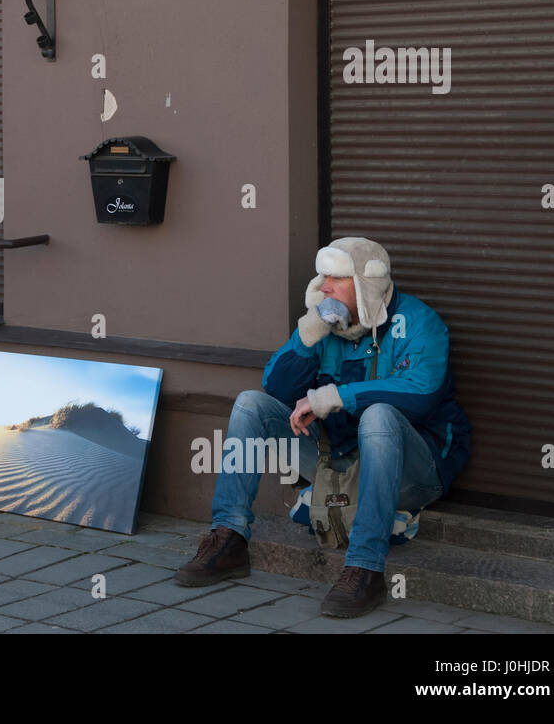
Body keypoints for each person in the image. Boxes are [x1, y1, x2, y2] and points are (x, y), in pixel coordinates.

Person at [174, 237, 471, 618]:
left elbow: (422, 392)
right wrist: (309, 331)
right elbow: (276, 387)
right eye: (323, 276)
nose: (325, 286)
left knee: (379, 414)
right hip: (341, 462)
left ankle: (364, 566)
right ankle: (229, 538)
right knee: (251, 405)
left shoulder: (419, 322)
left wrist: (335, 396)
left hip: (415, 472)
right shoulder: (327, 322)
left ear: (367, 284)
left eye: (337, 278)